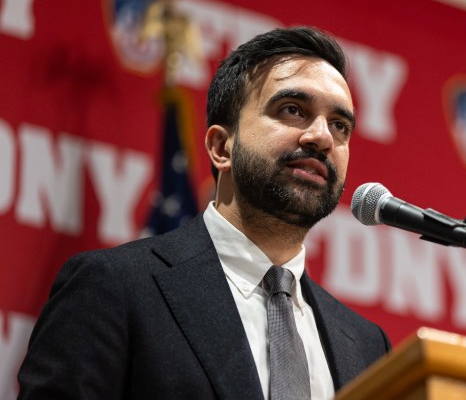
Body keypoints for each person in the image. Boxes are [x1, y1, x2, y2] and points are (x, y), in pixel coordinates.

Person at [17, 26, 390, 400]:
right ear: (221, 147)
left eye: (339, 125)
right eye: (292, 110)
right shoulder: (112, 288)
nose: (322, 137)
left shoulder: (368, 346)